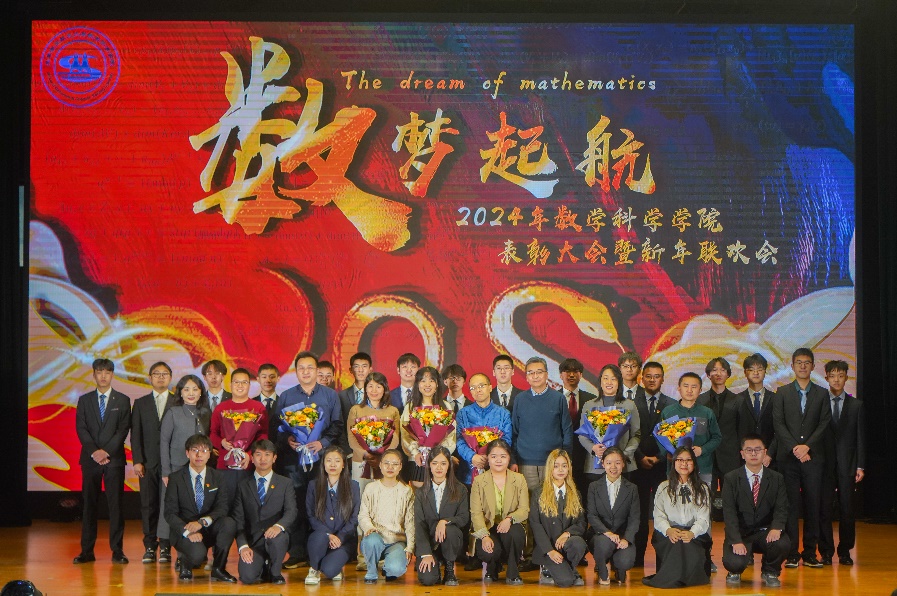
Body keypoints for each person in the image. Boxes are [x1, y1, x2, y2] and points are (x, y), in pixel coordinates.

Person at [275, 351, 343, 569]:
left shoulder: (330, 396)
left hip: (321, 461)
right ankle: (297, 552)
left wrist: (322, 443)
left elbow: (337, 425)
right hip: (293, 462)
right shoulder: (286, 396)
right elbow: (277, 428)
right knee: (295, 504)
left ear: (316, 370)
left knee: (320, 504)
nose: (306, 372)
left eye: (310, 368)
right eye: (301, 368)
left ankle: (320, 550)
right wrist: (288, 439)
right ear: (296, 372)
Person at [773, 347, 831, 568]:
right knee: (790, 506)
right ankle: (792, 553)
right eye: (799, 362)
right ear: (792, 366)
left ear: (813, 366)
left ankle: (809, 553)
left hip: (813, 458)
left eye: (807, 362)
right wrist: (795, 448)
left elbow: (824, 423)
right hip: (788, 459)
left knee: (813, 505)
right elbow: (778, 424)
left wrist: (807, 447)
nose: (803, 366)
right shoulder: (782, 392)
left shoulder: (822, 393)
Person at [73, 358, 132, 565]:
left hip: (114, 460)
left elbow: (123, 429)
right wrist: (94, 452)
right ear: (94, 375)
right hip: (90, 460)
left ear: (112, 374)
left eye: (107, 372)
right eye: (100, 372)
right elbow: (81, 428)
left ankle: (117, 551)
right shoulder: (84, 400)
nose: (103, 376)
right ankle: (86, 551)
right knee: (89, 505)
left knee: (116, 506)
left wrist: (106, 451)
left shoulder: (122, 400)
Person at [164, 434, 237, 583]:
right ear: (187, 453)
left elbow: (222, 507)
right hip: (185, 530)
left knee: (229, 523)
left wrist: (202, 522)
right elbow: (169, 513)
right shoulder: (176, 478)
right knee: (198, 556)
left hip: (207, 527)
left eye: (204, 451)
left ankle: (218, 569)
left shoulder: (218, 477)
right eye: (195, 450)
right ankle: (185, 561)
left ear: (210, 454)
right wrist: (187, 532)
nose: (199, 455)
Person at [721, 434, 790, 588]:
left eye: (757, 450)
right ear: (742, 454)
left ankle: (770, 571)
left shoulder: (777, 478)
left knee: (782, 543)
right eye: (749, 450)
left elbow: (782, 507)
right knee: (734, 563)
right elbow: (729, 513)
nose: (753, 453)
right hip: (742, 533)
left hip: (765, 532)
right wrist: (736, 540)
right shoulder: (731, 478)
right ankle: (734, 571)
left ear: (765, 452)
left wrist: (776, 528)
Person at [158, 374, 212, 559]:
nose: (191, 393)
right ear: (180, 392)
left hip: (198, 468)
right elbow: (164, 442)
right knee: (171, 508)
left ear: (201, 392)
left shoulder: (205, 412)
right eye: (186, 389)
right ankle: (165, 546)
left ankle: (192, 548)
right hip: (175, 468)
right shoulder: (173, 412)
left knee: (194, 507)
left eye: (195, 389)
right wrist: (166, 471)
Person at [642, 446, 711, 588]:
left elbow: (704, 518)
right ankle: (672, 579)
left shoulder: (702, 488)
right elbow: (658, 516)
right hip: (669, 532)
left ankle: (681, 578)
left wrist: (692, 532)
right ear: (674, 463)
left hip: (694, 533)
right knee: (676, 542)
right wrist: (668, 530)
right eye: (680, 460)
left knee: (685, 542)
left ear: (694, 463)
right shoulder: (664, 487)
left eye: (688, 460)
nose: (684, 464)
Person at [819, 360, 865, 566]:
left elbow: (861, 438)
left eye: (840, 375)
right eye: (832, 376)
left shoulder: (856, 405)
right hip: (824, 465)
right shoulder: (820, 402)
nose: (836, 380)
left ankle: (845, 551)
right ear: (826, 378)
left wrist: (860, 465)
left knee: (847, 510)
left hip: (848, 464)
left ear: (846, 377)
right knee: (824, 509)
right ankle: (826, 552)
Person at [232, 439, 297, 585]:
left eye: (267, 454)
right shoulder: (243, 485)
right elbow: (238, 519)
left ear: (274, 458)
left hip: (277, 538)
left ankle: (275, 572)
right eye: (258, 454)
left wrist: (278, 526)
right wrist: (243, 546)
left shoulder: (285, 483)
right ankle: (263, 565)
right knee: (247, 577)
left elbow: (291, 511)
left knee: (277, 539)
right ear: (252, 458)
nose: (263, 459)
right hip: (254, 541)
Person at [630, 361, 675, 567]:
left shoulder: (671, 404)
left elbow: (672, 437)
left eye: (656, 376)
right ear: (642, 378)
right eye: (648, 376)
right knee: (638, 514)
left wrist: (658, 457)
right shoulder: (632, 402)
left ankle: (662, 561)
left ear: (662, 379)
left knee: (661, 514)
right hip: (637, 465)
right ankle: (637, 558)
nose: (652, 379)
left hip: (662, 467)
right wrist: (640, 456)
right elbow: (628, 433)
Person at [470, 439, 529, 585]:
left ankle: (513, 572)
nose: (498, 460)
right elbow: (476, 513)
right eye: (494, 456)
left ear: (509, 458)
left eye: (503, 456)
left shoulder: (519, 479)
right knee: (488, 552)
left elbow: (524, 509)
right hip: (488, 528)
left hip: (510, 526)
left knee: (516, 534)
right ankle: (492, 567)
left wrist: (510, 519)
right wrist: (484, 536)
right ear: (488, 458)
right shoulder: (479, 481)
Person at [131, 361, 173, 564]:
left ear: (170, 378)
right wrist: (137, 460)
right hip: (147, 463)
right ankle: (149, 546)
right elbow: (135, 434)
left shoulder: (177, 401)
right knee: (148, 505)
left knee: (168, 505)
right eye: (157, 373)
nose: (161, 377)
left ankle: (165, 546)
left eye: (165, 374)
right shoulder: (140, 403)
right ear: (150, 378)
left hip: (170, 464)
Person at [210, 368, 268, 510]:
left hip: (248, 464)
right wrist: (222, 442)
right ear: (230, 384)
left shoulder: (258, 408)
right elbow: (212, 434)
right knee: (225, 505)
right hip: (225, 466)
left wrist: (250, 454)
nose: (240, 385)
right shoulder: (221, 408)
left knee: (248, 505)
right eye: (236, 382)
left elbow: (263, 435)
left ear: (250, 385)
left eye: (244, 382)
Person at [530, 449, 587, 587]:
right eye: (556, 466)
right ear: (550, 468)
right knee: (566, 582)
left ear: (569, 468)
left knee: (579, 543)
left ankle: (569, 568)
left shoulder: (575, 493)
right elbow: (535, 524)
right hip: (547, 548)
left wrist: (567, 534)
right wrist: (549, 551)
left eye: (564, 466)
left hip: (566, 545)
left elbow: (581, 523)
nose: (560, 470)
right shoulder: (539, 493)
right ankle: (547, 569)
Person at [414, 446, 470, 586]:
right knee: (428, 580)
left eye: (443, 463)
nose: (439, 467)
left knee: (450, 530)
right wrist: (426, 553)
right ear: (429, 465)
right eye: (435, 463)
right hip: (430, 544)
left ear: (449, 466)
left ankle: (449, 569)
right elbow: (419, 524)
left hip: (451, 541)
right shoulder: (420, 493)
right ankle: (436, 562)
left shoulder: (460, 489)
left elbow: (464, 517)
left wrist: (445, 521)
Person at [305, 446, 361, 584]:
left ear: (343, 464)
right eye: (329, 460)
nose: (333, 464)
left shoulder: (353, 486)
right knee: (319, 537)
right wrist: (328, 535)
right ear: (323, 464)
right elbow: (311, 515)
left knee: (330, 570)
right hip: (320, 537)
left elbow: (354, 518)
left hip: (343, 540)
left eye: (337, 460)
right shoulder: (313, 485)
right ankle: (314, 568)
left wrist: (340, 537)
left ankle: (332, 565)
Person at [358, 449, 415, 584]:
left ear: (400, 467)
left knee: (396, 569)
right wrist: (369, 528)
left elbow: (410, 522)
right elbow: (363, 515)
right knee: (372, 540)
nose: (390, 467)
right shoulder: (371, 488)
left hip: (396, 541)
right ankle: (371, 571)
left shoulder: (406, 491)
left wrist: (410, 547)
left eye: (395, 464)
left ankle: (388, 567)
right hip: (375, 537)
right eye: (387, 463)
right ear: (380, 465)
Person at [578, 364, 641, 486]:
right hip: (595, 466)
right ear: (600, 381)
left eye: (613, 379)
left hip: (623, 465)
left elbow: (636, 435)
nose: (609, 382)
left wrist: (624, 455)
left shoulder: (629, 405)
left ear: (619, 382)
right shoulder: (589, 405)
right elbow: (582, 435)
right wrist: (593, 448)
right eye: (605, 378)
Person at [587, 447, 639, 585]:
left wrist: (627, 539)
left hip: (622, 535)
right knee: (603, 544)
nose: (613, 467)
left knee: (626, 561)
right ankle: (602, 568)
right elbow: (592, 515)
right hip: (601, 535)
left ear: (623, 464)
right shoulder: (594, 486)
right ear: (603, 464)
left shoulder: (632, 488)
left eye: (617, 462)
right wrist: (608, 533)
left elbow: (634, 518)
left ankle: (619, 568)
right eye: (609, 463)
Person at [401, 366, 457, 486]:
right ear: (417, 384)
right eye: (423, 381)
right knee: (418, 492)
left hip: (439, 461)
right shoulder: (410, 407)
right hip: (417, 460)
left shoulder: (445, 406)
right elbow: (405, 435)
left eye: (431, 380)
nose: (427, 384)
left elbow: (451, 435)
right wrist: (415, 452)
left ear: (437, 384)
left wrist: (440, 453)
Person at [697, 358, 743, 490]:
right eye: (714, 370)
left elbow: (741, 430)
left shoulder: (738, 401)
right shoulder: (699, 400)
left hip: (731, 457)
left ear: (728, 374)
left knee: (731, 496)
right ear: (708, 374)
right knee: (705, 496)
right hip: (706, 457)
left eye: (722, 370)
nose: (718, 373)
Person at [558, 358, 595, 496]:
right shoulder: (553, 398)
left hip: (585, 455)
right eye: (567, 371)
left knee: (583, 494)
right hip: (559, 454)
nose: (571, 374)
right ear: (560, 375)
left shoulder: (592, 399)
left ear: (581, 375)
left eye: (575, 371)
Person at [735, 353, 777, 467]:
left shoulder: (775, 399)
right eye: (751, 369)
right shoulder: (737, 400)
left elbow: (780, 429)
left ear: (765, 371)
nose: (756, 372)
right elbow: (735, 432)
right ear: (745, 372)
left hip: (770, 460)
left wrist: (769, 454)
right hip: (744, 460)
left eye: (759, 369)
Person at [338, 352, 372, 456]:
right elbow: (340, 426)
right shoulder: (342, 396)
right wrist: (347, 451)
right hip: (349, 451)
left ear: (370, 369)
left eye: (364, 366)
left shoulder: (377, 395)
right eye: (356, 366)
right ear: (351, 370)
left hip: (373, 450)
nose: (360, 370)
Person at [252, 363, 281, 438]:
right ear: (258, 379)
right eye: (264, 377)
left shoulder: (284, 403)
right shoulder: (251, 403)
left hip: (279, 444)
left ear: (278, 378)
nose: (268, 380)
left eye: (272, 377)